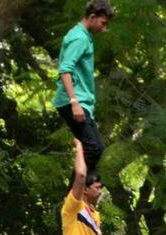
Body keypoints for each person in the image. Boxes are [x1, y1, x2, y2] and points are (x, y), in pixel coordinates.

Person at [53, 0, 114, 173]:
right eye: (103, 23)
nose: (104, 28)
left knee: (97, 149)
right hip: (73, 102)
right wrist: (74, 102)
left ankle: (80, 193)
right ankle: (73, 196)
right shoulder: (79, 38)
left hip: (81, 102)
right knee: (92, 148)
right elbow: (65, 70)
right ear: (92, 17)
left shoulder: (83, 36)